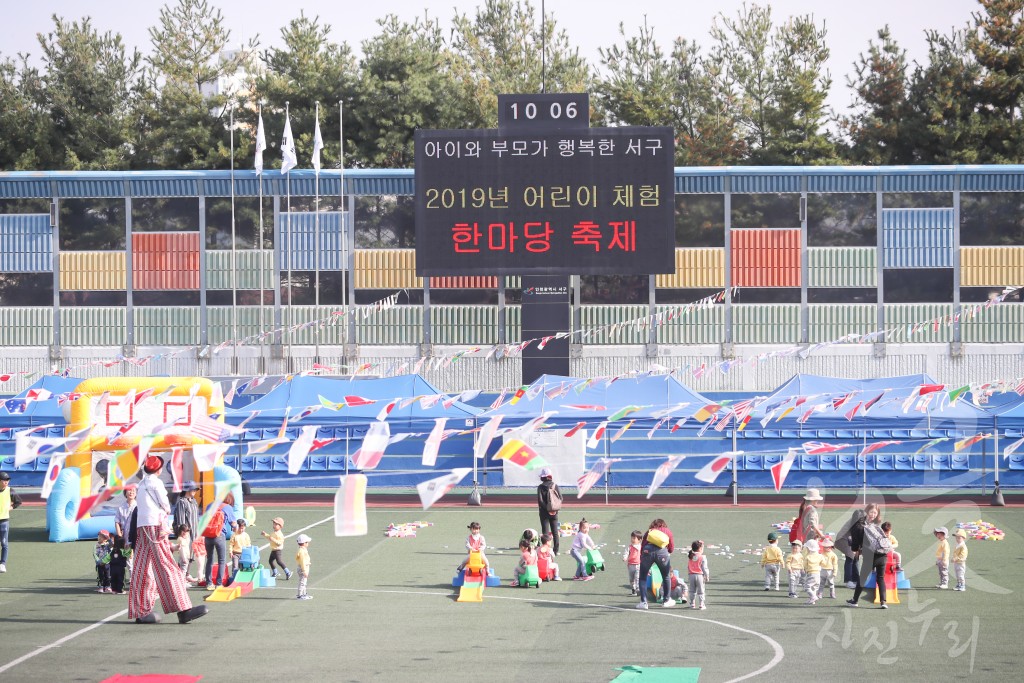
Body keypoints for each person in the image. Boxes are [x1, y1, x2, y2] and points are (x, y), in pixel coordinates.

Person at [128, 455, 208, 624]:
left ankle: (140, 610)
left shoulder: (141, 484)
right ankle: (183, 608)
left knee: (142, 568)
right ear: (159, 469)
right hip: (156, 526)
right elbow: (164, 503)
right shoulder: (155, 483)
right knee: (168, 566)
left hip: (142, 526)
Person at [847, 503, 887, 609]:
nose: (873, 514)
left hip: (871, 556)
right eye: (871, 512)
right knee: (881, 578)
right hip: (883, 555)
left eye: (875, 512)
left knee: (862, 579)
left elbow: (855, 545)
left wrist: (856, 549)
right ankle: (883, 602)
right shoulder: (876, 525)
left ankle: (855, 601)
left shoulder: (859, 526)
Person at [636, 518, 674, 610]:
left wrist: (643, 557)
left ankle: (644, 602)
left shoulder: (649, 531)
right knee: (666, 576)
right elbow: (671, 548)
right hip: (662, 552)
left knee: (643, 577)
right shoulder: (668, 531)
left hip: (647, 551)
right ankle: (666, 600)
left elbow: (643, 545)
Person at [834, 508, 865, 589]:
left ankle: (856, 579)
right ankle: (849, 581)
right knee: (850, 558)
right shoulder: (854, 524)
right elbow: (856, 537)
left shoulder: (861, 522)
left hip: (850, 539)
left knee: (856, 558)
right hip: (843, 539)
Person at [0, 470, 24, 573]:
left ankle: (2, 564)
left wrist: (12, 507)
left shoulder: (10, 490)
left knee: (4, 543)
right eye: (4, 480)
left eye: (7, 480)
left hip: (4, 521)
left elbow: (18, 502)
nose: (6, 482)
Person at [536, 468, 563, 556]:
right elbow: (561, 498)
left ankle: (545, 551)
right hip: (554, 512)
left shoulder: (540, 487)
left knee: (545, 533)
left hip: (544, 513)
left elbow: (540, 501)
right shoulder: (555, 485)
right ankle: (556, 550)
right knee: (555, 532)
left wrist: (547, 509)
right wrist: (553, 509)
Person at [687, 540, 709, 610]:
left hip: (691, 575)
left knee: (692, 590)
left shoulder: (690, 556)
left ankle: (692, 603)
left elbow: (688, 566)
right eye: (702, 548)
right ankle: (701, 604)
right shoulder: (702, 557)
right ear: (700, 549)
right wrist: (707, 575)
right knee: (701, 590)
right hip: (699, 575)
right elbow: (704, 568)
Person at [803, 539, 823, 605]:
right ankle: (812, 600)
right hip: (818, 573)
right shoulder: (820, 556)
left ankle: (813, 597)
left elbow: (805, 566)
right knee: (814, 587)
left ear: (808, 549)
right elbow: (823, 563)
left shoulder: (808, 557)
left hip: (811, 573)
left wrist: (805, 570)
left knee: (807, 587)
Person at [623, 530, 642, 595]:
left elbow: (643, 554)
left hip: (638, 564)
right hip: (631, 565)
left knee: (637, 577)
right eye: (632, 538)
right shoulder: (630, 547)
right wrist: (625, 557)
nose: (632, 540)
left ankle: (638, 589)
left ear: (639, 540)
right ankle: (633, 589)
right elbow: (626, 552)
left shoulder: (640, 547)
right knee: (631, 579)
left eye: (634, 538)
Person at [295, 534, 312, 600]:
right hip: (303, 568)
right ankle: (300, 595)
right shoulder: (301, 551)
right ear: (304, 543)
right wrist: (304, 570)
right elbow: (302, 561)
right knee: (302, 582)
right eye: (307, 542)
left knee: (304, 582)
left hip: (305, 567)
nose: (308, 543)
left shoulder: (303, 550)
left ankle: (304, 594)